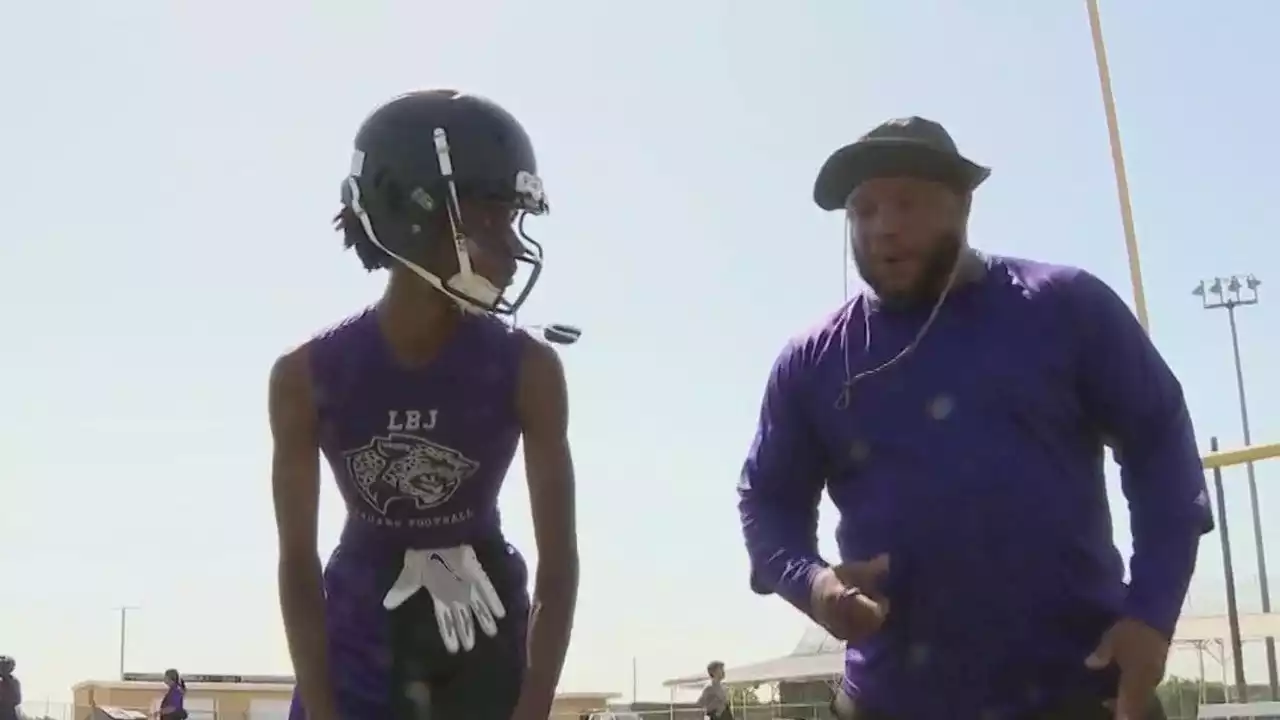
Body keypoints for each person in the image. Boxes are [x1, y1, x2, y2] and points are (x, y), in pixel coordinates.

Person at [737, 116, 1212, 720]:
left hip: (1075, 690)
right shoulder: (812, 360)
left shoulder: (1064, 307)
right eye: (863, 209)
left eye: (906, 203)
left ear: (962, 204)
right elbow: (766, 500)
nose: (883, 227)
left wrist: (1151, 613)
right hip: (891, 702)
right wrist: (813, 585)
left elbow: (1159, 444)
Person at [270, 90, 579, 720]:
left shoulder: (531, 369)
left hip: (483, 620)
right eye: (491, 217)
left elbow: (561, 559)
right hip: (359, 625)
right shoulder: (305, 374)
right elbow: (297, 566)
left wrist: (533, 706)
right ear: (417, 212)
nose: (514, 246)